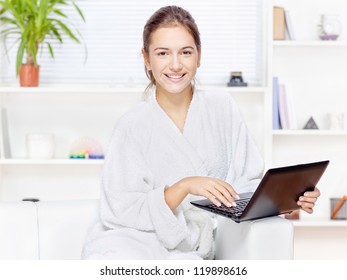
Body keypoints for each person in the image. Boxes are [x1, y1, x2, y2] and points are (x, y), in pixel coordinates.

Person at [82, 5, 320, 260]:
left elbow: (247, 183)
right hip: (136, 241)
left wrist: (287, 198)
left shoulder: (222, 107)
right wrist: (185, 186)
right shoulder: (131, 125)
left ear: (199, 56)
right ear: (147, 59)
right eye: (163, 53)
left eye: (186, 52)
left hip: (194, 247)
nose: (175, 65)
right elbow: (121, 210)